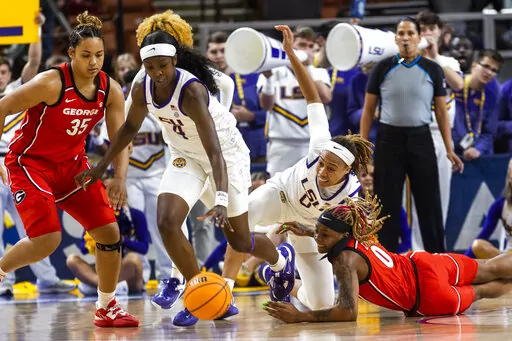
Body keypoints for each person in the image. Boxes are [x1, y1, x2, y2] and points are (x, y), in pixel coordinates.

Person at [74, 11, 295, 327]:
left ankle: (279, 259)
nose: (157, 73)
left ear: (174, 60)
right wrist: (101, 167)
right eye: (150, 67)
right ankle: (197, 291)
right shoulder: (143, 88)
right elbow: (127, 129)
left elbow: (215, 151)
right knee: (166, 220)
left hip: (225, 155)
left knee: (240, 241)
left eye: (162, 66)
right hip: (185, 155)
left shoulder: (191, 91)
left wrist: (219, 199)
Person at [222, 24, 372, 317]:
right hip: (280, 195)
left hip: (309, 230)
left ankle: (277, 274)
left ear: (347, 172)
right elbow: (311, 96)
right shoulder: (319, 142)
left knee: (319, 304)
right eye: (322, 163)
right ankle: (225, 290)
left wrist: (309, 230)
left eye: (331, 168)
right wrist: (292, 55)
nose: (322, 171)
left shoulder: (352, 196)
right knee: (237, 222)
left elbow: (351, 239)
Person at [0, 12, 138, 328]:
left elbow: (119, 140)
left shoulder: (110, 89)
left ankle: (107, 307)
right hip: (30, 164)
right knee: (47, 239)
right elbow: (3, 107)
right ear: (72, 53)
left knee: (110, 233)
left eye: (100, 55)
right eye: (86, 55)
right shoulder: (50, 82)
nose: (94, 62)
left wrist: (119, 179)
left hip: (73, 167)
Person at [263, 194, 512, 323]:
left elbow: (348, 312)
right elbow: (329, 232)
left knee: (483, 291)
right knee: (491, 267)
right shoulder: (361, 233)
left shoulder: (343, 261)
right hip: (426, 264)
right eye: (318, 232)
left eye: (324, 235)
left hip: (428, 298)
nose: (318, 239)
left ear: (342, 234)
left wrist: (301, 316)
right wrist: (308, 230)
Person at [360, 17, 463, 253]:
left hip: (421, 138)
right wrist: (363, 150)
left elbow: (441, 112)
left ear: (419, 37)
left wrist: (449, 148)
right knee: (386, 205)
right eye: (401, 33)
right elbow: (367, 111)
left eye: (410, 33)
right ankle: (386, 265)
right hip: (388, 139)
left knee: (430, 204)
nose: (405, 37)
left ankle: (438, 260)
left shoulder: (433, 69)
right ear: (396, 38)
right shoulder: (382, 68)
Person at [0, 12, 76, 296]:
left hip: (18, 164)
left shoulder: (17, 91)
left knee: (34, 228)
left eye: (4, 72)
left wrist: (34, 29)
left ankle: (46, 278)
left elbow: (33, 62)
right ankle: (4, 280)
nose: (0, 76)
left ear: (9, 74)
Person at [404, 11, 463, 251]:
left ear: (439, 32)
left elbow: (458, 84)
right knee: (415, 200)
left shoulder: (449, 62)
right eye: (423, 28)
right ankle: (416, 253)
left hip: (441, 137)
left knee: (441, 198)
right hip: (415, 134)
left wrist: (434, 57)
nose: (428, 32)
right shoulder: (408, 61)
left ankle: (436, 252)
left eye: (432, 28)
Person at [258, 26, 332, 176]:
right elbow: (265, 105)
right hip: (281, 142)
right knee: (279, 191)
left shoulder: (319, 72)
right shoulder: (275, 70)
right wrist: (269, 79)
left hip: (312, 142)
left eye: (311, 46)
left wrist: (309, 67)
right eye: (302, 45)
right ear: (290, 47)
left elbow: (325, 97)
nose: (307, 50)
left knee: (313, 190)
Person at [67, 203, 150, 295]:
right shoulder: (95, 216)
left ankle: (98, 287)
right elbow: (83, 248)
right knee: (72, 260)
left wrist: (123, 240)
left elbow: (144, 247)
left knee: (133, 258)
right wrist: (95, 240)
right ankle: (105, 287)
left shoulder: (135, 214)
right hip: (103, 269)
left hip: (125, 271)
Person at [452, 49, 502, 160]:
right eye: (486, 66)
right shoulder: (455, 85)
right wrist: (464, 148)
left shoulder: (493, 94)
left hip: (480, 155)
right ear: (474, 65)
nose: (489, 72)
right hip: (454, 154)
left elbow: (490, 132)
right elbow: (449, 123)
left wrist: (478, 149)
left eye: (494, 70)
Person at [465, 158, 512, 259]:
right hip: (507, 259)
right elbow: (483, 236)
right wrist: (462, 263)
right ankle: (459, 268)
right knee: (478, 245)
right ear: (510, 174)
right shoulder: (500, 205)